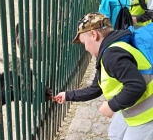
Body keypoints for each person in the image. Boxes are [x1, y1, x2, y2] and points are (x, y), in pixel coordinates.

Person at [55, 12, 153, 140]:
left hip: (147, 114)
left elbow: (136, 86)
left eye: (84, 43)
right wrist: (67, 95)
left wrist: (112, 105)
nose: (85, 48)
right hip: (134, 106)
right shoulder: (107, 53)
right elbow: (95, 88)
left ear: (94, 35)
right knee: (115, 134)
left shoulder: (112, 55)